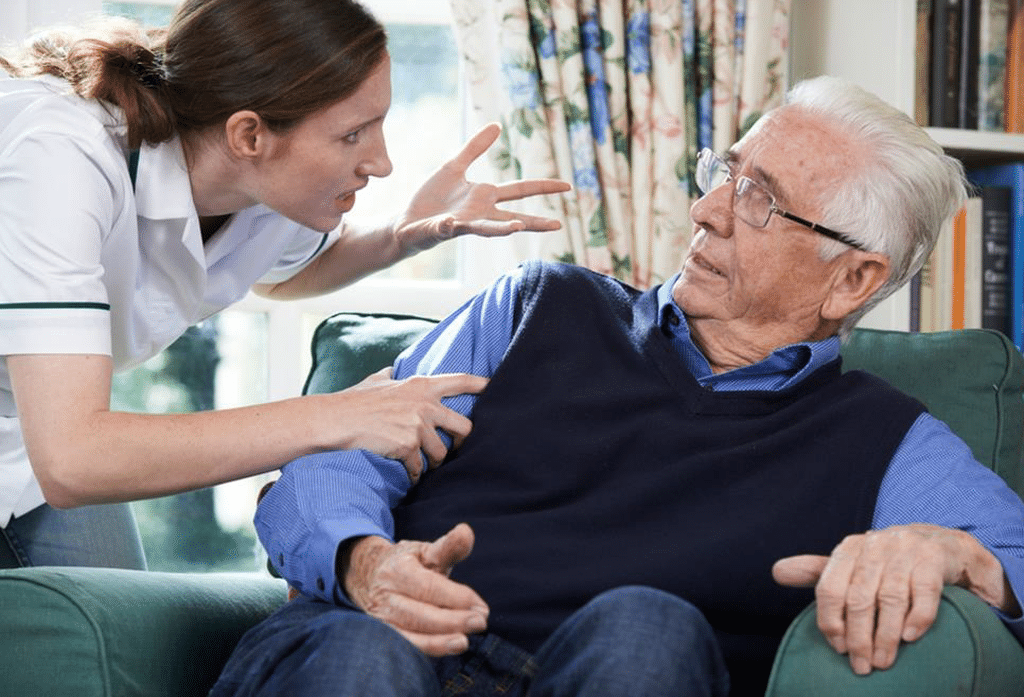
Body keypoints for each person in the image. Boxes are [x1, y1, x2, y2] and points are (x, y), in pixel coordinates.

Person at [212, 76, 1024, 697]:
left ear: (852, 280)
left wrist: (954, 548)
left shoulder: (888, 443)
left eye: (760, 201)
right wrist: (363, 559)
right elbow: (335, 458)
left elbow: (1017, 557)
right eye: (725, 172)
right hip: (376, 657)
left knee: (648, 626)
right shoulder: (531, 306)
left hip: (616, 673)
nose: (706, 209)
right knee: (365, 650)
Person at [0, 0, 571, 570]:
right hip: (61, 444)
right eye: (353, 134)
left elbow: (286, 274)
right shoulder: (59, 155)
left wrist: (398, 236)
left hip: (33, 441)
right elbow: (74, 458)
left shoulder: (258, 188)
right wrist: (340, 415)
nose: (383, 162)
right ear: (249, 134)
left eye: (379, 124)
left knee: (105, 625)